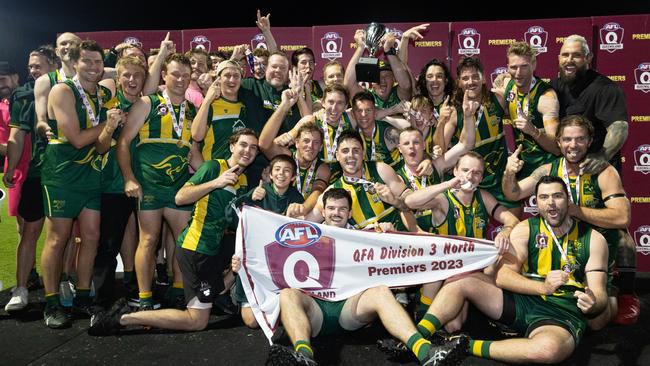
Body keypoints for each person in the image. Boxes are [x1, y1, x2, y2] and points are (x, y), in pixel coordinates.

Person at [414, 175, 609, 365]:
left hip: (560, 312)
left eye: (557, 196)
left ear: (568, 200)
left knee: (549, 350)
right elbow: (503, 277)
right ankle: (417, 338)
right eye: (544, 197)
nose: (551, 203)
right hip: (522, 300)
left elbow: (599, 295)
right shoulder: (526, 229)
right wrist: (543, 288)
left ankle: (463, 346)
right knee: (460, 279)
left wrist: (593, 303)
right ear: (537, 202)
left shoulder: (593, 239)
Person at [88, 129, 260, 335]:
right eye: (243, 145)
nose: (247, 151)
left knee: (219, 286)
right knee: (196, 321)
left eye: (253, 148)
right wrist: (216, 182)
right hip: (195, 248)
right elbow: (181, 197)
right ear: (232, 147)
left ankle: (128, 315)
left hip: (211, 249)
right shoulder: (214, 167)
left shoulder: (243, 180)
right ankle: (124, 317)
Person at [265, 188, 448, 366]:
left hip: (348, 308)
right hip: (315, 310)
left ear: (350, 212)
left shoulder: (364, 235)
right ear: (323, 211)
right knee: (288, 294)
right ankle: (303, 355)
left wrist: (387, 235)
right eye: (331, 208)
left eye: (342, 209)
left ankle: (425, 351)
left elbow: (402, 257)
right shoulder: (305, 236)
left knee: (380, 291)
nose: (336, 213)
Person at [502, 115, 637, 326]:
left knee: (597, 319)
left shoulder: (603, 171)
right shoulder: (548, 170)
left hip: (593, 245)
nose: (573, 145)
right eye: (567, 139)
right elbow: (514, 193)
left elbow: (622, 217)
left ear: (589, 141)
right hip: (560, 243)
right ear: (558, 142)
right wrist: (509, 173)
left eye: (580, 139)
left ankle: (625, 294)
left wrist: (576, 211)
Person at [40, 40, 119, 328]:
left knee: (92, 236)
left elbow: (100, 147)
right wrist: (109, 124)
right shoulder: (62, 90)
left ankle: (84, 297)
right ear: (75, 63)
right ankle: (51, 304)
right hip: (61, 174)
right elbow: (76, 138)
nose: (94, 67)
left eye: (98, 62)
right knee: (58, 238)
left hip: (90, 174)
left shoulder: (100, 94)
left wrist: (109, 128)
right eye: (87, 61)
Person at [117, 53, 197, 310]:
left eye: (186, 76)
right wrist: (129, 178)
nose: (181, 80)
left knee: (183, 241)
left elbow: (193, 152)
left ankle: (177, 290)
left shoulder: (192, 110)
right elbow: (123, 142)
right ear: (164, 75)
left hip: (178, 188)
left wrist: (211, 175)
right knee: (149, 240)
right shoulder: (146, 103)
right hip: (149, 186)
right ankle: (144, 297)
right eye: (175, 74)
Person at [3, 48, 57, 312]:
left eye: (39, 66)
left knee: (63, 232)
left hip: (66, 172)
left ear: (54, 65)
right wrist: (11, 167)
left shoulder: (71, 89)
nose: (33, 71)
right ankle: (21, 287)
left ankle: (63, 282)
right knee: (30, 230)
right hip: (37, 171)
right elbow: (17, 135)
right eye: (31, 66)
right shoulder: (23, 94)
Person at [443, 57, 519, 215]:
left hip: (499, 180)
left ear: (484, 78)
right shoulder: (454, 112)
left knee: (513, 223)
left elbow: (520, 108)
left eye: (475, 77)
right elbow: (440, 147)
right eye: (465, 78)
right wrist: (439, 124)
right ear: (459, 82)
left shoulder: (498, 99)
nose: (471, 82)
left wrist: (508, 78)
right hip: (469, 181)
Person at [307, 130, 415, 231]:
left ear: (363, 154)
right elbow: (306, 224)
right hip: (367, 248)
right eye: (345, 151)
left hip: (400, 241)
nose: (350, 155)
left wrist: (395, 201)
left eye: (356, 151)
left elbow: (413, 202)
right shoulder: (332, 192)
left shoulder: (380, 169)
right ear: (337, 156)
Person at [551, 34, 628, 174]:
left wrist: (602, 157)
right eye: (565, 55)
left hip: (598, 171)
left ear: (588, 58)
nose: (569, 60)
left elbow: (619, 127)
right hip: (567, 171)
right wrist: (507, 79)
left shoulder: (606, 88)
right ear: (558, 58)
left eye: (576, 55)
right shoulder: (553, 87)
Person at [259, 88, 330, 215]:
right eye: (306, 141)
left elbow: (318, 190)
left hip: (303, 216)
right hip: (275, 211)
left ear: (320, 147)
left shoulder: (322, 167)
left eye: (316, 143)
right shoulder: (286, 156)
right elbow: (263, 144)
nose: (311, 146)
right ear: (297, 143)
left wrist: (303, 209)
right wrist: (283, 106)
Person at [503, 41, 561, 179]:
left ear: (534, 65)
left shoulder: (546, 97)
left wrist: (533, 130)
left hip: (545, 167)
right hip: (521, 165)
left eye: (524, 66)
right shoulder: (507, 85)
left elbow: (556, 148)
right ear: (507, 68)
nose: (518, 73)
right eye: (514, 67)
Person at [192, 60, 250, 161]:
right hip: (216, 171)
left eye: (236, 76)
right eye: (227, 75)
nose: (232, 80)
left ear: (241, 80)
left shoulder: (246, 107)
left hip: (239, 173)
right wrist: (207, 101)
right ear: (219, 79)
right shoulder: (211, 105)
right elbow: (197, 136)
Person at [344, 29, 412, 108]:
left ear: (394, 79)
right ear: (372, 81)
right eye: (378, 75)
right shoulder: (366, 96)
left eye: (387, 76)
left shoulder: (399, 94)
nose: (382, 80)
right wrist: (360, 47)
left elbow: (406, 85)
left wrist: (388, 49)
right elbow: (348, 86)